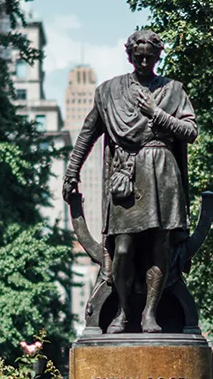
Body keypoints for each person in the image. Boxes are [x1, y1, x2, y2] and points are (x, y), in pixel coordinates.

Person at [64, 29, 198, 333]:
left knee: (158, 246)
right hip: (126, 175)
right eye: (139, 57)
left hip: (161, 171)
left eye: (150, 57)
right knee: (122, 248)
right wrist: (72, 171)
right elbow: (87, 134)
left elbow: (190, 131)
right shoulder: (109, 91)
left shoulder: (173, 90)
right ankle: (124, 311)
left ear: (158, 57)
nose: (145, 62)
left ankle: (150, 313)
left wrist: (156, 113)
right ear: (130, 56)